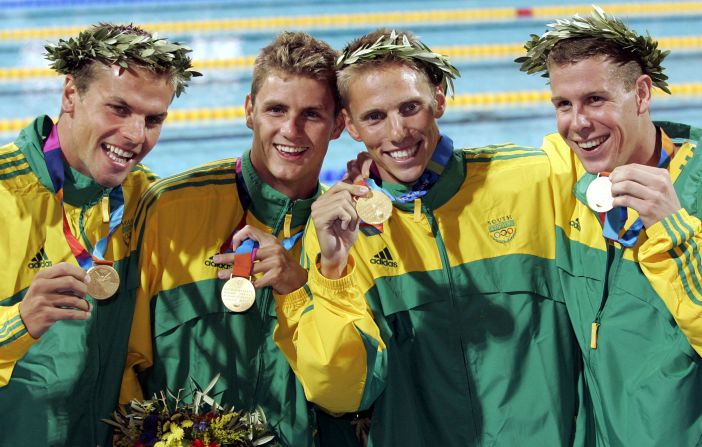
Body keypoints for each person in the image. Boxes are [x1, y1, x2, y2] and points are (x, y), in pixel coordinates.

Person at [274, 29, 591, 446]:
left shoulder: (532, 179)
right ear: (349, 125)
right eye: (374, 116)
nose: (398, 132)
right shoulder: (339, 232)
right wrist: (333, 268)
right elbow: (341, 393)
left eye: (410, 108)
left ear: (438, 100)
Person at [121, 31, 346, 446]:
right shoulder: (171, 207)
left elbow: (349, 385)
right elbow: (126, 364)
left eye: (311, 115)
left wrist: (302, 287)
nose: (290, 131)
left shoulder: (345, 233)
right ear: (249, 111)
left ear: (339, 125)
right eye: (276, 109)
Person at [0, 23, 197, 446]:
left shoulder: (146, 199)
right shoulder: (4, 192)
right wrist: (19, 322)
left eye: (153, 119)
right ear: (71, 94)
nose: (135, 136)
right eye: (119, 109)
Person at [517, 7, 702, 445]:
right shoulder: (567, 175)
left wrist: (674, 231)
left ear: (641, 94)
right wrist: (382, 173)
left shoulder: (693, 187)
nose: (578, 124)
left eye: (595, 99)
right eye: (564, 104)